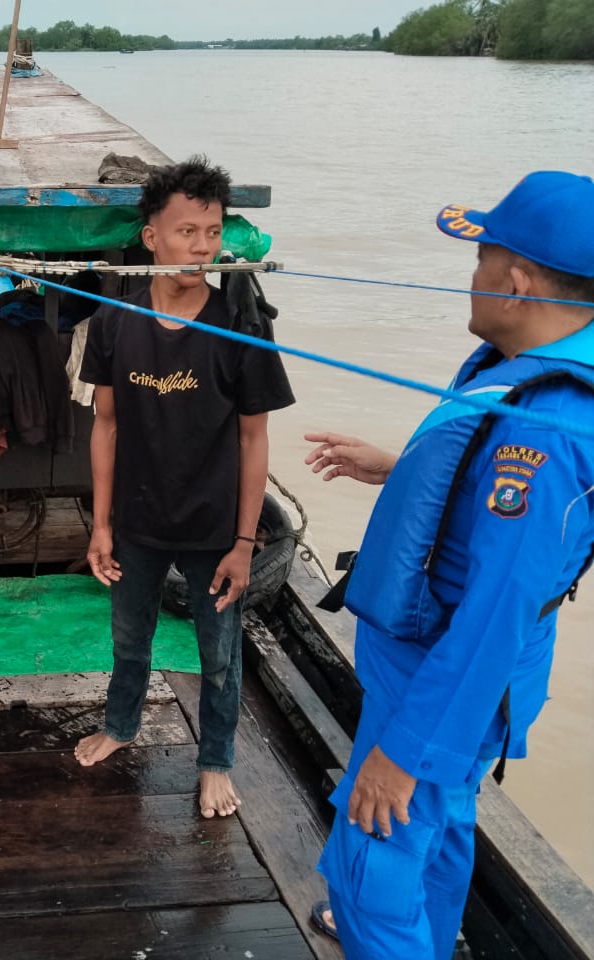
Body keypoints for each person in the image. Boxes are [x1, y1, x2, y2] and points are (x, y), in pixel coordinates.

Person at [304, 170, 594, 959]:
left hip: (444, 677)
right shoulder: (531, 361)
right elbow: (493, 509)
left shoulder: (553, 436)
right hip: (451, 669)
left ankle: (386, 933)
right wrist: (397, 467)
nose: (471, 277)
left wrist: (404, 755)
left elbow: (499, 609)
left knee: (371, 857)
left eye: (479, 260)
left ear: (517, 281)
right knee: (442, 826)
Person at [75, 157, 296, 818]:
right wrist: (102, 524)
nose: (202, 246)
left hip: (214, 529)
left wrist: (244, 541)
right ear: (150, 238)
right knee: (128, 639)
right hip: (137, 522)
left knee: (220, 656)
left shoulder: (241, 324)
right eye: (186, 232)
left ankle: (215, 761)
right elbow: (105, 425)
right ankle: (120, 725)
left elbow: (255, 439)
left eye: (212, 231)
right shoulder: (115, 318)